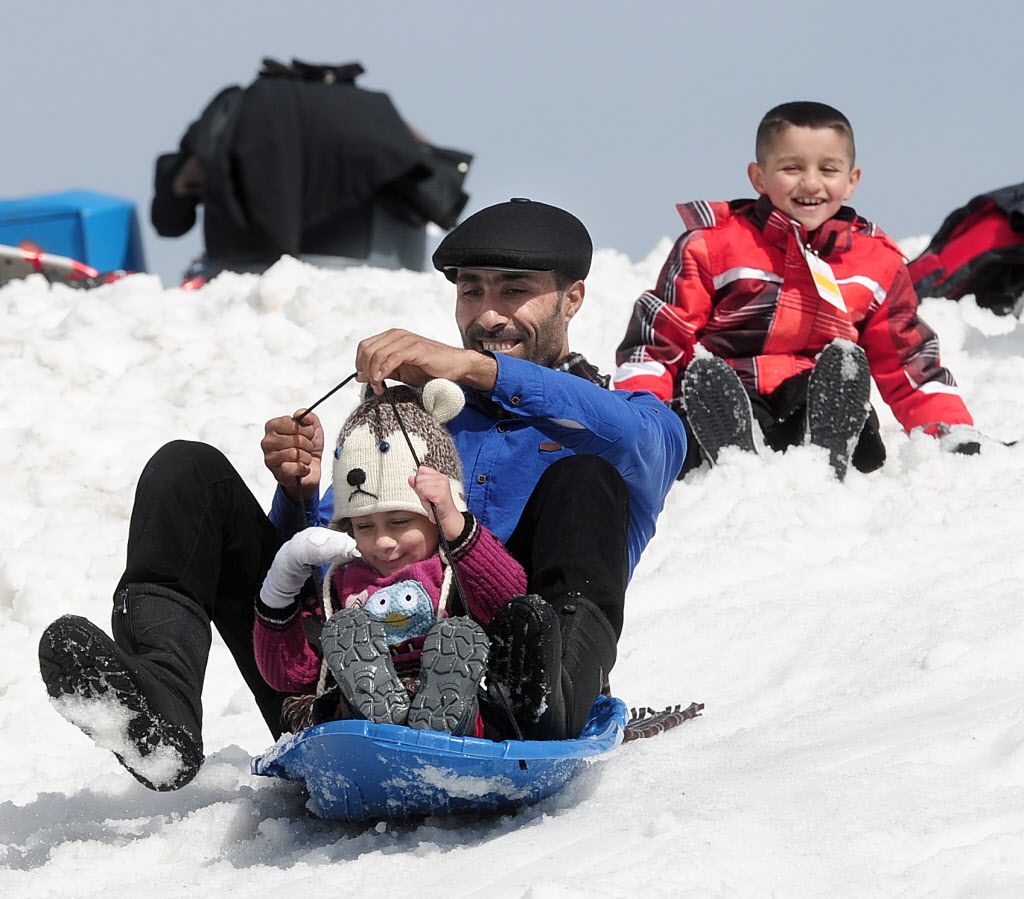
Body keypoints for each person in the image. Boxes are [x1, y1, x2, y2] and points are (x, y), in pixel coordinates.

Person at [37, 198, 686, 791]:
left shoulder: (607, 419)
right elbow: (326, 572)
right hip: (351, 684)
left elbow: (651, 436)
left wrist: (481, 371)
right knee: (186, 473)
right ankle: (161, 718)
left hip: (506, 705)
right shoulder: (412, 419)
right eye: (471, 290)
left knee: (583, 478)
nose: (488, 313)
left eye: (515, 290)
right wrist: (300, 497)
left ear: (572, 299)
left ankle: (545, 712)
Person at [614, 101, 982, 481]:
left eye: (828, 169)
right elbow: (659, 340)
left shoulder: (875, 263)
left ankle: (829, 451)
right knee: (709, 401)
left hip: (813, 395)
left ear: (852, 179)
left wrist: (946, 426)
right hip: (731, 391)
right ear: (758, 177)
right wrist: (643, 418)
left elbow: (907, 359)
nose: (810, 183)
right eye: (792, 168)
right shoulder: (713, 247)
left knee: (838, 389)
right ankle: (732, 454)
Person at [254, 378, 527, 737]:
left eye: (400, 521)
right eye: (364, 526)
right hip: (357, 725)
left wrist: (456, 524)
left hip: (460, 714)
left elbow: (508, 600)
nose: (383, 541)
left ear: (436, 516)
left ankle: (444, 711)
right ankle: (370, 706)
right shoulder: (342, 584)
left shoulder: (458, 570)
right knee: (336, 653)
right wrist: (281, 581)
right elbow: (288, 673)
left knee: (459, 638)